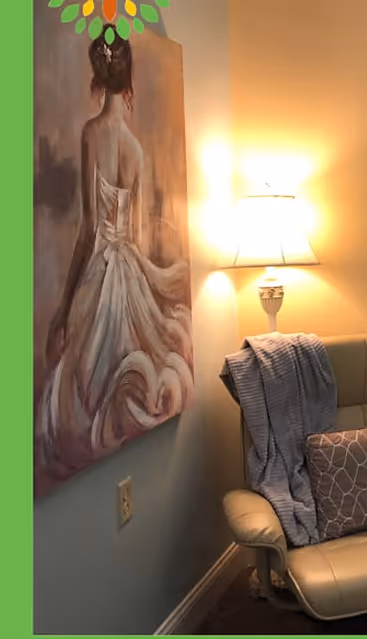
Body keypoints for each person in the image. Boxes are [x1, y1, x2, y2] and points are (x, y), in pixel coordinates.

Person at [36, 28, 194, 489]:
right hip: (126, 269)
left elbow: (89, 230)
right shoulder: (138, 151)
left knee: (81, 384)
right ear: (128, 85)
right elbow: (138, 236)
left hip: (99, 272)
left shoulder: (91, 135)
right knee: (117, 370)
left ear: (96, 79)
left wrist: (64, 310)